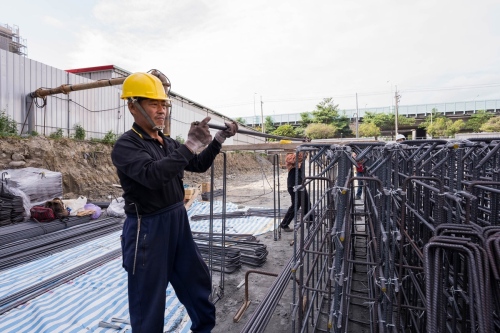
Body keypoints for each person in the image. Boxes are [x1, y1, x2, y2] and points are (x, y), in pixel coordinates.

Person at [111, 72, 238, 333]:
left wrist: (218, 140)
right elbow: (152, 176)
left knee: (196, 282)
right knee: (149, 300)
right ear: (133, 106)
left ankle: (203, 328)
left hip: (177, 221)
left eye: (163, 104)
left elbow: (199, 164)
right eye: (153, 104)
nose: (161, 111)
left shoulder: (166, 143)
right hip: (147, 229)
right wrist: (190, 144)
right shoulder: (126, 145)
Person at [279, 152, 312, 232]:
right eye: (304, 154)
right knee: (296, 205)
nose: (305, 156)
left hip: (301, 185)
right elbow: (290, 160)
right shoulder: (293, 159)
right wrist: (300, 154)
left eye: (306, 155)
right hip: (293, 186)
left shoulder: (302, 161)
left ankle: (310, 221)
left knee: (307, 203)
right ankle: (284, 224)